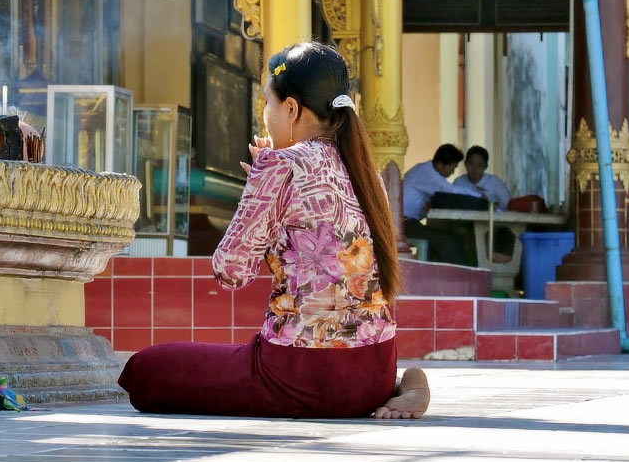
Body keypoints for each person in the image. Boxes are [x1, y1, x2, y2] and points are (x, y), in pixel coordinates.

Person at [118, 41, 430, 421]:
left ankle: (407, 382)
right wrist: (267, 194)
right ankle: (408, 380)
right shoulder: (368, 175)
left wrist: (258, 192)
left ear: (292, 108)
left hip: (296, 376)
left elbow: (230, 270)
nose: (265, 114)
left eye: (267, 103)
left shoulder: (280, 165)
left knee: (148, 367)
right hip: (372, 376)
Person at [402, 144, 485, 265]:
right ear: (441, 164)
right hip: (403, 224)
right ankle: (454, 276)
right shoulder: (427, 173)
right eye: (451, 168)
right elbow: (450, 190)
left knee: (445, 235)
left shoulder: (425, 170)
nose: (452, 173)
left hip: (408, 221)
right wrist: (479, 196)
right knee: (447, 240)